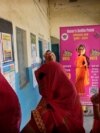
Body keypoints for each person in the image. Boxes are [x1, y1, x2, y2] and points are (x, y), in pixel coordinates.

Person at [21, 61, 85, 133]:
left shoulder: (45, 114)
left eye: (41, 82)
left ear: (47, 84)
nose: (39, 86)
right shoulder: (75, 101)